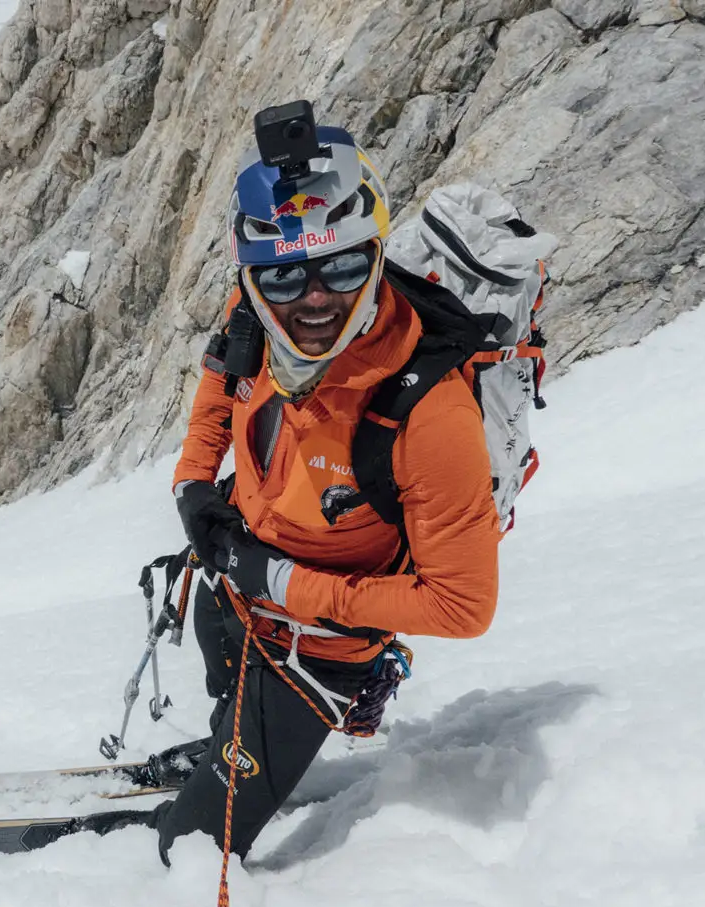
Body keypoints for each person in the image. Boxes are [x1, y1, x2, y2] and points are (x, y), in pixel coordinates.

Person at [147, 121, 502, 863]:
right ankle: (232, 738)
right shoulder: (253, 311)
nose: (313, 300)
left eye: (339, 271)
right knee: (224, 679)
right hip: (235, 580)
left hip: (315, 652)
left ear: (373, 256)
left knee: (185, 853)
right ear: (250, 278)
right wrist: (192, 485)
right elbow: (219, 385)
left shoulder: (429, 413)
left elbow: (462, 606)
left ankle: (248, 759)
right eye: (283, 277)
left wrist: (286, 582)